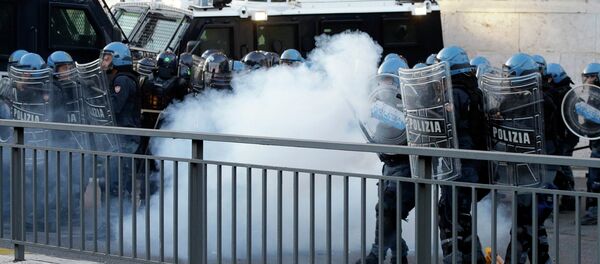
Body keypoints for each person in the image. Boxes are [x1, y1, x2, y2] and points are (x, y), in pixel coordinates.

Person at [499, 53, 554, 263]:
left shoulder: (542, 100)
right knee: (532, 223)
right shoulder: (509, 99)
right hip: (520, 170)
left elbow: (543, 136)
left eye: (510, 73)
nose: (507, 78)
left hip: (538, 170)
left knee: (524, 223)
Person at [436, 46, 487, 264]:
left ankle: (455, 259)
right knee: (462, 216)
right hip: (471, 163)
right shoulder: (474, 90)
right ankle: (473, 257)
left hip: (457, 165)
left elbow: (446, 127)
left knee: (450, 218)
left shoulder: (454, 94)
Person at [358, 58, 413, 264]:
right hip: (389, 166)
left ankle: (376, 254)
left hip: (408, 167)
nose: (384, 84)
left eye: (389, 80)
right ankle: (400, 254)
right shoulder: (379, 103)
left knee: (387, 207)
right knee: (388, 212)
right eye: (382, 80)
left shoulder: (411, 102)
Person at [100, 42, 142, 198]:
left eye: (107, 58)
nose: (104, 62)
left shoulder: (122, 80)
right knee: (117, 179)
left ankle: (115, 218)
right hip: (123, 137)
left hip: (125, 138)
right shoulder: (120, 78)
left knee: (116, 182)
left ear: (117, 59)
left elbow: (115, 107)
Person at [546, 63, 578, 211]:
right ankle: (567, 197)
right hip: (566, 136)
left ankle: (569, 197)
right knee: (561, 165)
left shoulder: (562, 93)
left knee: (562, 166)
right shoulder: (566, 91)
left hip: (564, 137)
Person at [580, 62, 600, 225]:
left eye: (590, 76)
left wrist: (584, 110)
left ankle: (594, 212)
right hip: (596, 142)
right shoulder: (594, 95)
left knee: (595, 179)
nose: (587, 80)